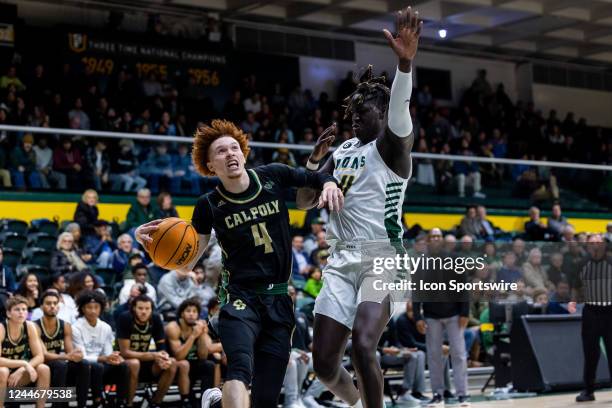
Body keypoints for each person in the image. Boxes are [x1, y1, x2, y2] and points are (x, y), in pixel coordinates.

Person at [136, 118, 342, 408]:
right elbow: (187, 263)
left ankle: (217, 403)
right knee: (240, 370)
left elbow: (314, 179)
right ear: (210, 166)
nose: (230, 153)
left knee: (266, 398)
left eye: (234, 148)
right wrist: (149, 247)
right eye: (221, 151)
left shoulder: (272, 175)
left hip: (279, 299)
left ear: (244, 154)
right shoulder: (208, 204)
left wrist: (329, 181)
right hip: (239, 298)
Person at [295, 6, 420, 407]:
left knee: (364, 346)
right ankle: (354, 403)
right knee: (325, 365)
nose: (353, 120)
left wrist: (404, 64)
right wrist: (315, 165)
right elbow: (304, 201)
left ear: (382, 115)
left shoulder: (393, 149)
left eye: (361, 113)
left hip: (382, 257)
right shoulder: (346, 149)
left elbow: (401, 107)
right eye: (351, 114)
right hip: (340, 259)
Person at [569, 234, 612, 402]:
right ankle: (588, 391)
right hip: (591, 313)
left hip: (610, 312)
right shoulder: (581, 264)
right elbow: (575, 286)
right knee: (590, 354)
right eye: (592, 243)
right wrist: (572, 301)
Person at [117, 294, 178, 408]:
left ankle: (155, 403)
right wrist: (154, 355)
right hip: (124, 363)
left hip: (146, 362)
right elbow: (125, 352)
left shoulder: (155, 318)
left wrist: (164, 358)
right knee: (134, 363)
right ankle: (128, 404)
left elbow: (161, 347)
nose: (144, 312)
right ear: (134, 308)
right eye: (140, 308)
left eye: (147, 308)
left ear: (151, 309)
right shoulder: (125, 318)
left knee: (172, 363)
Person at [72, 290, 131, 407]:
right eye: (89, 307)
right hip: (83, 366)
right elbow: (81, 357)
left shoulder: (106, 327)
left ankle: (121, 401)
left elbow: (108, 353)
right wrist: (103, 358)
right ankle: (97, 401)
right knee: (96, 366)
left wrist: (114, 357)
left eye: (96, 307)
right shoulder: (76, 327)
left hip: (102, 364)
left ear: (101, 308)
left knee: (123, 365)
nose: (93, 311)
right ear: (83, 309)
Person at [34, 290, 90, 408]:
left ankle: (82, 404)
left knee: (84, 364)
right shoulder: (35, 326)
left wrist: (77, 355)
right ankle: (58, 405)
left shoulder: (65, 325)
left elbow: (70, 352)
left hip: (58, 362)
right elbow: (43, 354)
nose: (52, 306)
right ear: (41, 306)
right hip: (40, 363)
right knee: (61, 365)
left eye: (55, 303)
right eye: (48, 303)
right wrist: (67, 356)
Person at [165, 297, 218, 406]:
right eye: (188, 311)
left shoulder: (198, 327)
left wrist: (202, 334)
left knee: (209, 365)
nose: (191, 314)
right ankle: (187, 401)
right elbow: (179, 356)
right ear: (182, 313)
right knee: (185, 365)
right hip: (176, 365)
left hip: (193, 364)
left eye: (194, 312)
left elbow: (203, 356)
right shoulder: (173, 327)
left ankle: (206, 399)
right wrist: (193, 336)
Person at [0, 296, 50, 408]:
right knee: (2, 371)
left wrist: (22, 369)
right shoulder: (1, 329)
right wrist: (23, 364)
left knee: (44, 369)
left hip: (18, 373)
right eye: (17, 309)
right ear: (8, 313)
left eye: (24, 309)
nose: (21, 312)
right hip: (3, 372)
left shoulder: (30, 326)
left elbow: (39, 356)